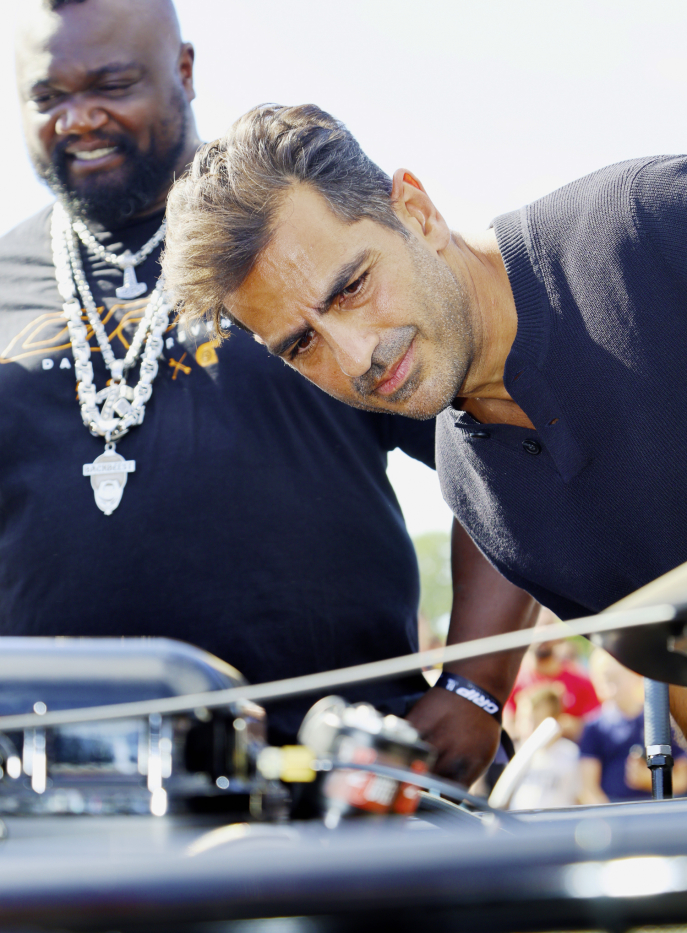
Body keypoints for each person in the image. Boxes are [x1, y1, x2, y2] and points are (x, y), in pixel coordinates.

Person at [3, 0, 496, 757]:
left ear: (184, 70)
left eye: (112, 85)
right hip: (47, 785)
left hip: (325, 776)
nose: (78, 117)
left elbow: (494, 434)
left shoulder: (299, 241)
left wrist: (476, 686)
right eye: (47, 94)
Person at [161, 102, 687, 758]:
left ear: (416, 211)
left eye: (351, 288)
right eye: (301, 345)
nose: (356, 357)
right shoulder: (475, 492)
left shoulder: (653, 222)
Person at [579, 650, 687, 803]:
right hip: (614, 809)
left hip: (656, 809)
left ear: (635, 676)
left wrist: (647, 779)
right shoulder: (594, 728)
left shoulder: (661, 722)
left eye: (615, 678)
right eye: (603, 679)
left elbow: (682, 779)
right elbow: (589, 788)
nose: (609, 686)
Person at [506, 639, 599, 742]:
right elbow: (507, 727)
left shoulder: (581, 682)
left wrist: (561, 726)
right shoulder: (514, 683)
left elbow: (596, 724)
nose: (542, 640)